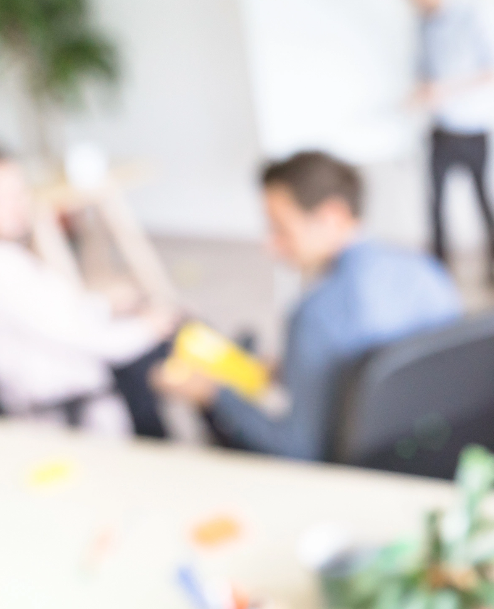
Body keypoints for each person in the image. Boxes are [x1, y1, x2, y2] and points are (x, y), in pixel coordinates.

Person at [154, 150, 462, 461]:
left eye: (281, 229)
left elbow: (298, 450)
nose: (271, 245)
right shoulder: (429, 272)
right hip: (432, 448)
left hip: (352, 470)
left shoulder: (314, 315)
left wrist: (212, 395)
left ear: (332, 216)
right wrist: (292, 368)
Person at [0, 138, 176, 437]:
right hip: (74, 410)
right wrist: (148, 328)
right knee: (177, 344)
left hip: (75, 383)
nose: (17, 207)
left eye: (18, 193)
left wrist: (108, 307)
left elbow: (54, 317)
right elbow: (85, 338)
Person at [396, 0, 494, 283]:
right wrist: (420, 92)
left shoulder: (471, 13)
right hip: (440, 128)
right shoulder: (421, 25)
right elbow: (423, 71)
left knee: (483, 200)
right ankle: (438, 274)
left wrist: (446, 88)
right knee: (435, 206)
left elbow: (493, 71)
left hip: (474, 127)